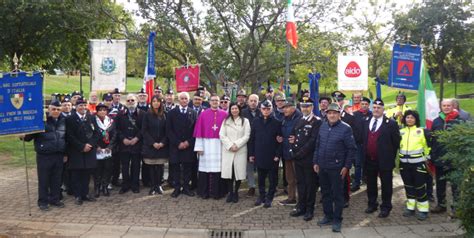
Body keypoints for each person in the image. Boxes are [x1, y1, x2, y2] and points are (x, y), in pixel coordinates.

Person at [313, 103, 356, 232]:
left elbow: (351, 149)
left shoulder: (346, 128)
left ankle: (337, 219)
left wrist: (346, 166)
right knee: (325, 193)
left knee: (337, 195)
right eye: (329, 113)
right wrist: (315, 161)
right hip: (322, 166)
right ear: (326, 114)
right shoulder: (323, 126)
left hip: (337, 168)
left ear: (339, 115)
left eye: (334, 113)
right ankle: (328, 216)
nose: (332, 115)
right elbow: (317, 145)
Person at [22, 101, 67, 211]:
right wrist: (23, 135)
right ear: (49, 110)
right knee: (44, 180)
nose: (56, 111)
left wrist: (65, 153)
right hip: (44, 156)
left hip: (59, 155)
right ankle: (43, 202)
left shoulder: (64, 121)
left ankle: (55, 199)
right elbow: (28, 137)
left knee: (56, 179)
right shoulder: (41, 121)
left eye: (58, 109)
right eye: (53, 109)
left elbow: (66, 139)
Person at [362, 98, 401, 218]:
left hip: (385, 160)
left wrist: (389, 156)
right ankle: (372, 204)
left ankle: (386, 207)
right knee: (371, 183)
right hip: (369, 159)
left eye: (379, 108)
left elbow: (396, 143)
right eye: (374, 107)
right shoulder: (366, 121)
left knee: (386, 184)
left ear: (383, 109)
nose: (376, 110)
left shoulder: (391, 123)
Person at [289, 97, 322, 221]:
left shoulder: (317, 121)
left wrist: (300, 153)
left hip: (309, 159)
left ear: (312, 107)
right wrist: (293, 149)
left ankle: (309, 209)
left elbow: (313, 141)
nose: (305, 108)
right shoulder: (299, 120)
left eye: (307, 106)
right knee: (301, 183)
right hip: (298, 158)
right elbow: (291, 136)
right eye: (303, 106)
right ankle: (300, 206)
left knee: (310, 184)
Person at [430, 99, 463, 215]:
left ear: (452, 106)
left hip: (454, 159)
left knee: (455, 185)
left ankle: (457, 208)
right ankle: (441, 205)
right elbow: (433, 140)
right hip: (439, 159)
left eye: (448, 105)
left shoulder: (459, 120)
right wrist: (433, 155)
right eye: (444, 105)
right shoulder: (436, 121)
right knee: (440, 184)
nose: (446, 107)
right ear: (441, 107)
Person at [248, 100, 282, 208]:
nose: (266, 111)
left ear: (271, 109)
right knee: (261, 178)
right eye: (264, 109)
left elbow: (280, 141)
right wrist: (251, 154)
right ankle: (261, 196)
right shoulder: (256, 121)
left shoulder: (277, 122)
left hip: (272, 156)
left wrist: (277, 155)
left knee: (272, 179)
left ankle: (270, 197)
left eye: (268, 109)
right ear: (260, 109)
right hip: (259, 154)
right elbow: (252, 139)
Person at [66, 97, 99, 205]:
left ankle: (85, 194)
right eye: (80, 105)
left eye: (85, 105)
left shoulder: (91, 117)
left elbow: (96, 133)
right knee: (76, 174)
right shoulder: (70, 119)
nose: (83, 107)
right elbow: (70, 136)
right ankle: (78, 195)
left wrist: (90, 145)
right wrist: (81, 146)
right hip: (76, 151)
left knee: (86, 174)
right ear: (75, 107)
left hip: (89, 150)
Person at [194, 95, 228, 199]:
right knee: (205, 169)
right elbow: (199, 131)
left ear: (220, 102)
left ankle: (217, 192)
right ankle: (204, 192)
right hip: (206, 144)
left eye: (217, 100)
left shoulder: (225, 114)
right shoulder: (203, 114)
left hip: (220, 145)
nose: (214, 102)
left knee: (218, 169)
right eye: (212, 100)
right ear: (209, 102)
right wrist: (199, 147)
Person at [399, 110, 431, 220]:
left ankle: (423, 210)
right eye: (408, 117)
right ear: (405, 119)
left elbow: (430, 146)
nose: (410, 119)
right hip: (404, 165)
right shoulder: (401, 131)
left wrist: (428, 157)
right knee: (408, 187)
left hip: (418, 165)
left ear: (416, 119)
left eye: (412, 117)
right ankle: (410, 208)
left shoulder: (422, 131)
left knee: (420, 187)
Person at [166, 92, 198, 198]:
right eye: (182, 98)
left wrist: (188, 142)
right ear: (178, 100)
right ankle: (176, 188)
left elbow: (195, 131)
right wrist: (178, 143)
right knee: (175, 168)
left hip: (188, 146)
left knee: (187, 168)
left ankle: (186, 188)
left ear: (189, 100)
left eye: (186, 98)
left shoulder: (193, 113)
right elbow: (169, 130)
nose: (184, 100)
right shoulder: (171, 113)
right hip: (175, 146)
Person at [220, 103, 251, 203]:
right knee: (229, 172)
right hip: (228, 150)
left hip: (240, 150)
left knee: (238, 172)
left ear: (239, 110)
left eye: (236, 108)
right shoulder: (226, 121)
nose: (234, 110)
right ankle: (230, 192)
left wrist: (236, 145)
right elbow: (222, 135)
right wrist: (230, 145)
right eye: (232, 108)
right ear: (230, 110)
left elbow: (247, 135)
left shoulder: (245, 121)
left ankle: (236, 192)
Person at [115, 94, 143, 194]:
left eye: (132, 100)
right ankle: (125, 185)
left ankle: (135, 185)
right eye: (128, 100)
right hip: (124, 144)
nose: (130, 102)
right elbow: (117, 129)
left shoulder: (142, 114)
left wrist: (137, 138)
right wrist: (123, 139)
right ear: (125, 102)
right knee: (125, 166)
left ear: (136, 101)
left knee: (136, 166)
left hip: (137, 144)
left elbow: (144, 129)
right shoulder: (120, 114)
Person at [141, 95, 169, 195]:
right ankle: (153, 186)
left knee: (160, 166)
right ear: (151, 103)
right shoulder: (147, 115)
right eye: (154, 101)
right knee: (152, 166)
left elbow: (167, 131)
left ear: (161, 103)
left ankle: (159, 185)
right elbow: (144, 131)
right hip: (150, 146)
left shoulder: (165, 114)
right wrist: (152, 143)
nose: (156, 103)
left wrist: (162, 142)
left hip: (162, 145)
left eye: (158, 101)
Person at [279, 99, 302, 206]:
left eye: (287, 107)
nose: (285, 109)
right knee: (290, 178)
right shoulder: (285, 119)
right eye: (284, 108)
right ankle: (291, 198)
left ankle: (301, 200)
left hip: (297, 153)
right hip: (287, 152)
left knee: (299, 178)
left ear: (293, 107)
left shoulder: (300, 118)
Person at [93, 103, 116, 197]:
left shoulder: (111, 121)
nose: (102, 112)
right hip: (97, 149)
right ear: (97, 112)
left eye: (104, 110)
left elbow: (115, 134)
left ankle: (105, 186)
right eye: (100, 110)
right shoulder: (93, 121)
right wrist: (96, 146)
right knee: (97, 169)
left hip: (108, 149)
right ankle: (97, 188)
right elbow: (90, 134)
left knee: (107, 168)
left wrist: (110, 147)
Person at [351, 96, 372, 192]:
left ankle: (369, 181)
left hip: (369, 144)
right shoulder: (355, 115)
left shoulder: (372, 115)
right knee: (358, 164)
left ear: (369, 105)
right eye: (362, 104)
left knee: (369, 163)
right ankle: (356, 182)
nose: (364, 106)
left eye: (366, 104)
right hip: (358, 144)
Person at [241, 94, 261, 197]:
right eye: (251, 100)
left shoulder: (262, 111)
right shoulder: (243, 113)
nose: (253, 102)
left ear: (258, 102)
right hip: (247, 142)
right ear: (248, 101)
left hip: (260, 143)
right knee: (249, 165)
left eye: (255, 101)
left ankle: (262, 187)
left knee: (261, 166)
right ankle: (251, 186)